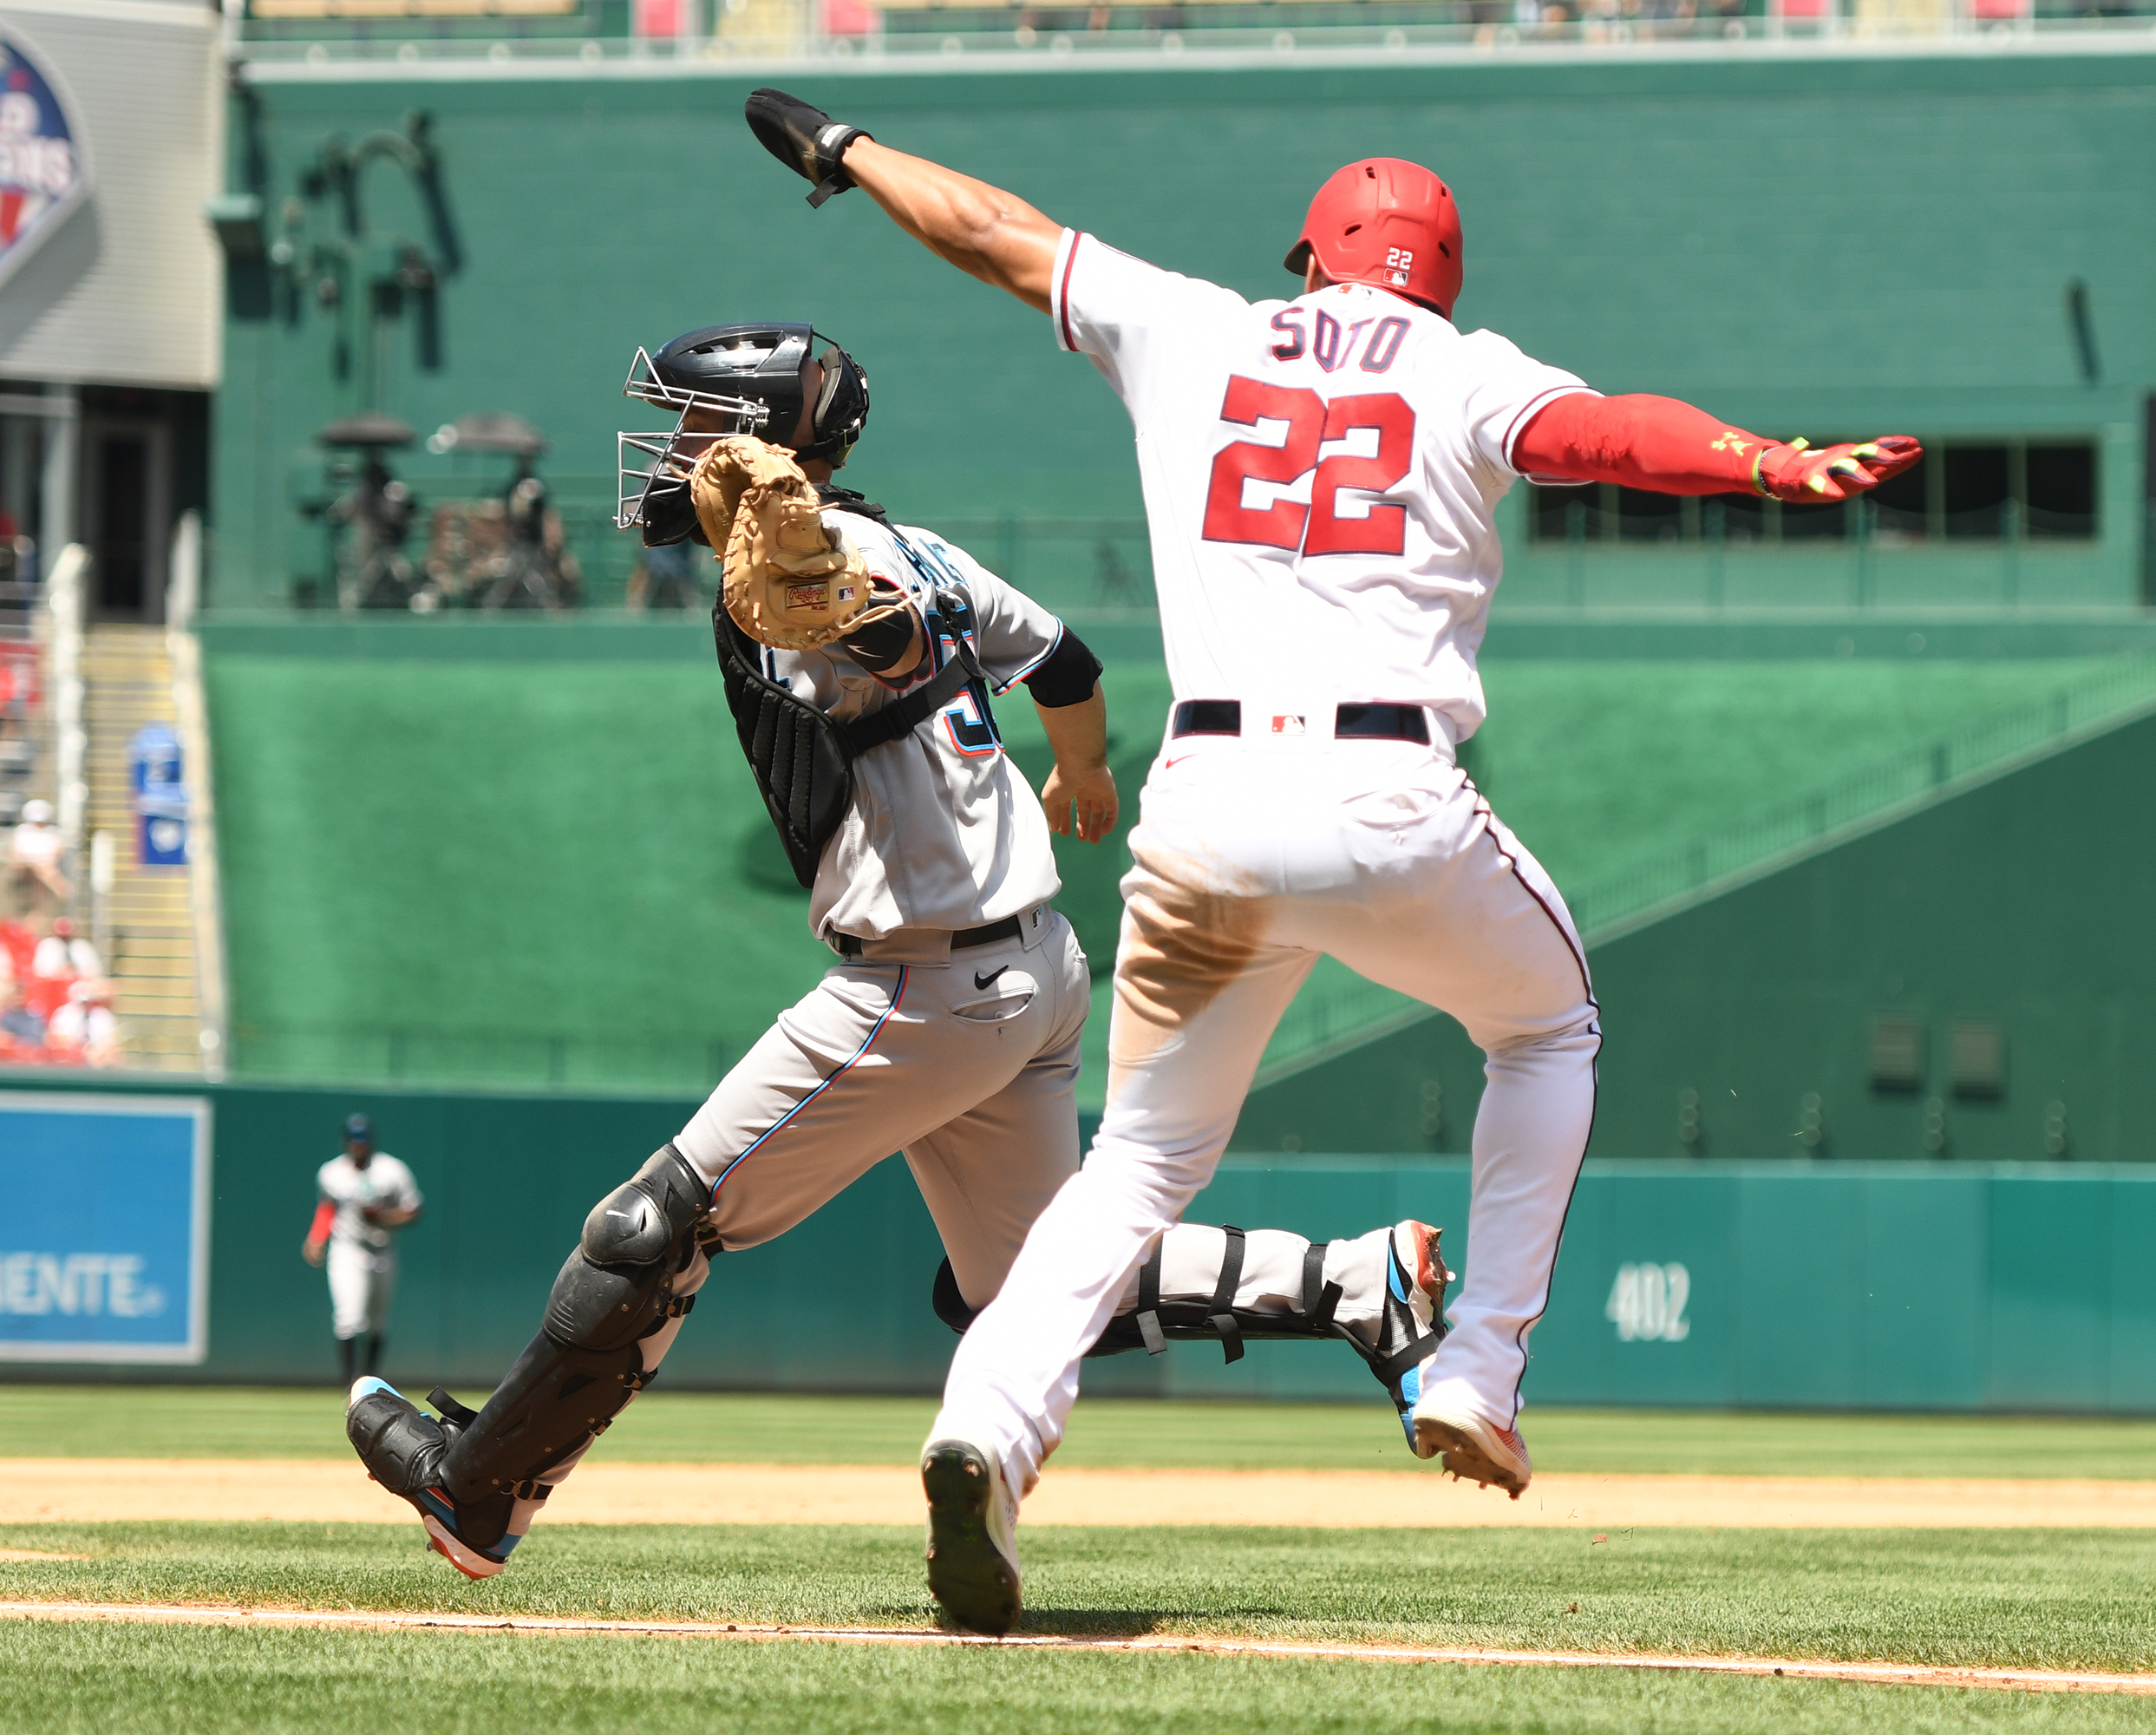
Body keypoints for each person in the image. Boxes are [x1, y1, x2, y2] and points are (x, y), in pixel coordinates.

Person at [738, 92, 1924, 1631]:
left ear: (1314, 257)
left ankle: (985, 1430)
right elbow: (1606, 434)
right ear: (1437, 275)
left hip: (1208, 803)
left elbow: (996, 234)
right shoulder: (1467, 368)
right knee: (1545, 1025)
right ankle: (1480, 1366)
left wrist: (852, 155)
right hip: (1387, 796)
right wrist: (1762, 465)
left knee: (1138, 1165)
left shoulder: (1195, 327)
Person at [343, 321, 1454, 1582]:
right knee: (1034, 1287)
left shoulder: (808, 565)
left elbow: (888, 642)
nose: (679, 451)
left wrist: (851, 617)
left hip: (924, 984)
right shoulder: (913, 542)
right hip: (1035, 972)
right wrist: (1082, 768)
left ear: (767, 445)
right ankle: (1360, 1285)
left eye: (701, 425)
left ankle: (480, 1491)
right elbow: (1067, 659)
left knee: (653, 1226)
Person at [304, 1114, 422, 1385]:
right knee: (349, 1317)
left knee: (378, 1322)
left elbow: (414, 1210)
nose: (359, 1145)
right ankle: (351, 1387)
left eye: (363, 1139)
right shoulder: (332, 1173)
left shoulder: (392, 1170)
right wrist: (316, 1237)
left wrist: (386, 1218)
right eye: (354, 1139)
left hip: (383, 1249)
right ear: (346, 1141)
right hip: (348, 1249)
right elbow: (327, 1209)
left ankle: (370, 1383)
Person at [5, 797, 66, 922]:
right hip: (27, 870)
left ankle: (37, 914)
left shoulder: (53, 834)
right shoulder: (21, 832)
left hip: (45, 870)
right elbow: (15, 855)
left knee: (45, 875)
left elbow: (57, 854)